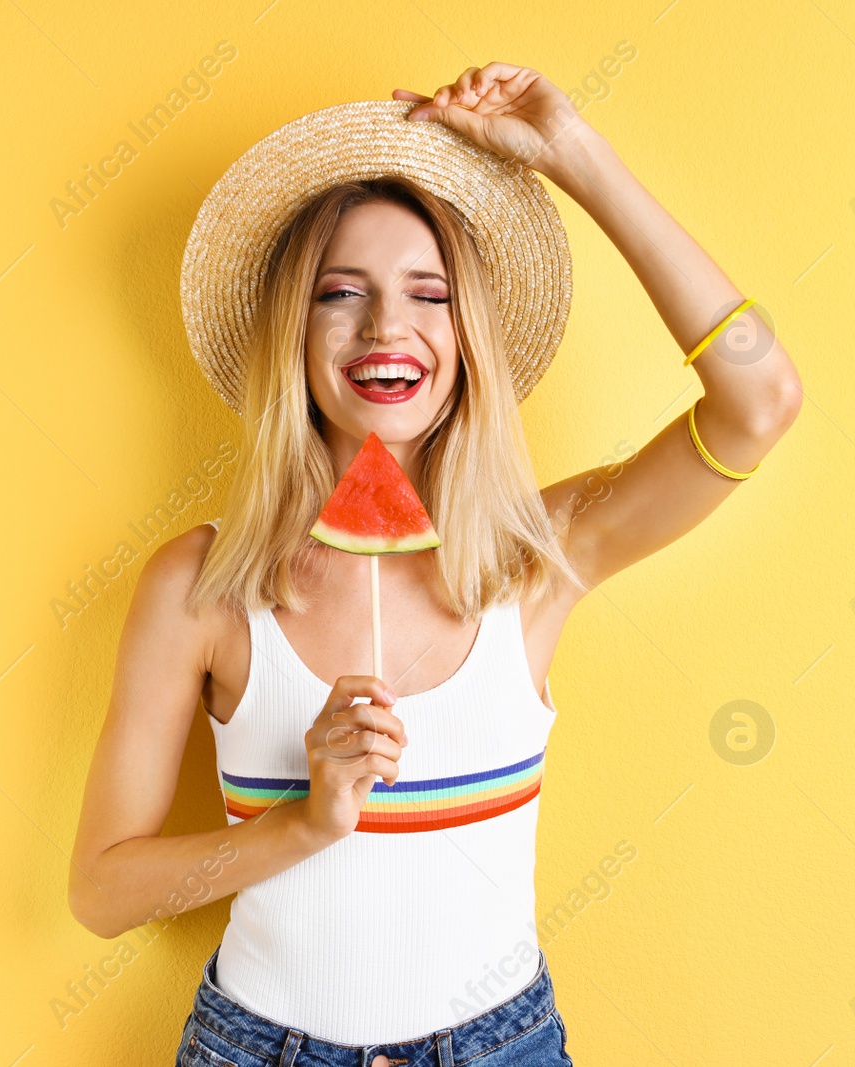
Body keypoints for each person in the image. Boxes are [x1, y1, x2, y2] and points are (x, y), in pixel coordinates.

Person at [69, 63, 801, 1066]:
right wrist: (304, 821)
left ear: (466, 341)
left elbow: (758, 399)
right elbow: (102, 891)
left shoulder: (539, 557)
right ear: (294, 331)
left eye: (430, 293)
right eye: (340, 293)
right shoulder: (201, 585)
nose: (385, 326)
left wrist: (574, 156)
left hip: (501, 1044)